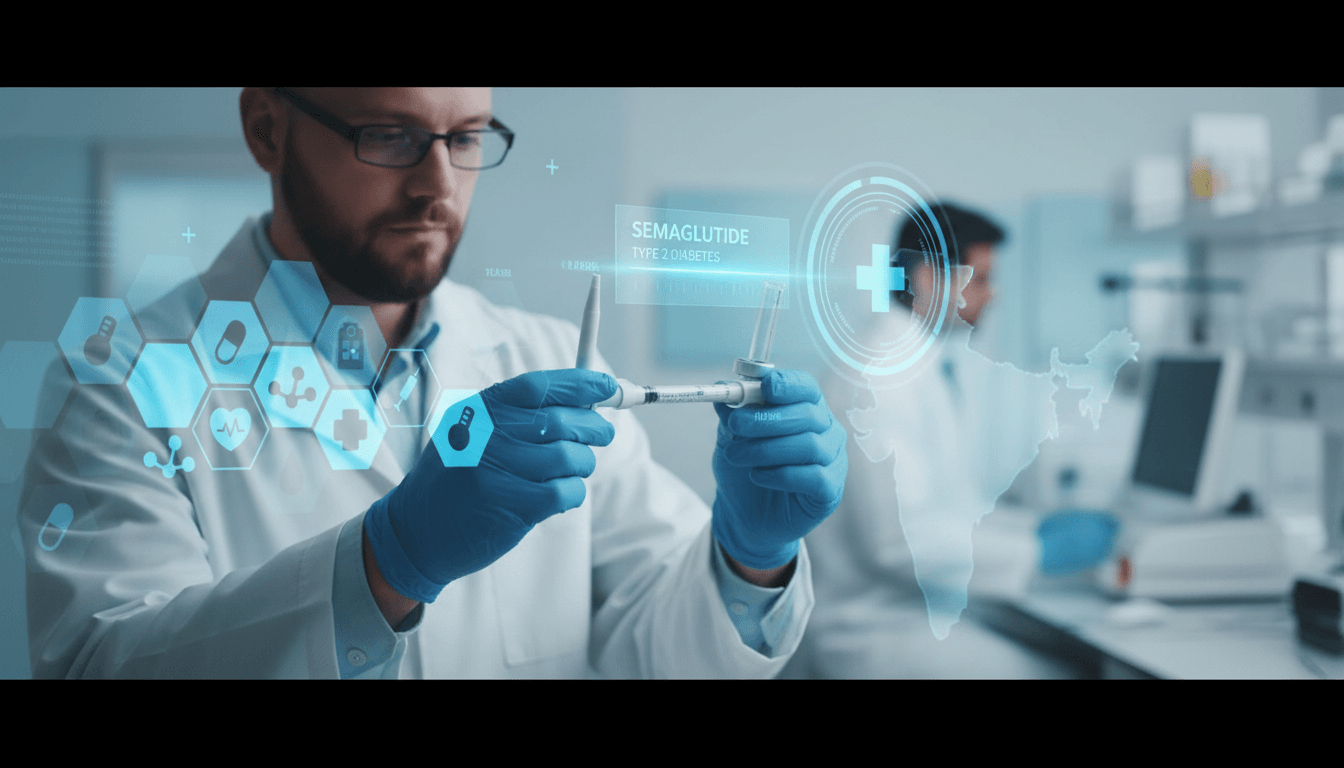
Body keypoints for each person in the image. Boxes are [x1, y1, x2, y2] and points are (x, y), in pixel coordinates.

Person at [20, 87, 848, 678]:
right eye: (389, 135)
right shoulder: (118, 381)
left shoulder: (551, 356)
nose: (437, 187)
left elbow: (656, 652)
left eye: (466, 138)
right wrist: (388, 561)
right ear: (268, 126)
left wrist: (750, 556)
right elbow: (101, 663)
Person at [786, 202, 1073, 678]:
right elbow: (898, 542)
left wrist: (1029, 533)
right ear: (926, 278)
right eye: (979, 279)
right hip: (875, 632)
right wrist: (1039, 553)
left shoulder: (916, 365)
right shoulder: (879, 374)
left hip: (922, 616)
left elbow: (951, 510)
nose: (992, 295)